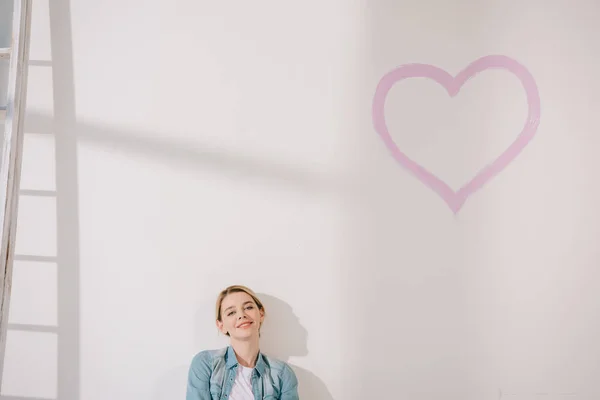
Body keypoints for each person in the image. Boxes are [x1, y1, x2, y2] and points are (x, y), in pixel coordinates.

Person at [186, 285, 300, 399]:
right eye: (231, 313)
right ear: (221, 325)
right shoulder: (205, 363)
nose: (241, 315)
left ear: (261, 314)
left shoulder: (282, 374)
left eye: (248, 307)